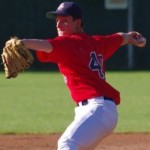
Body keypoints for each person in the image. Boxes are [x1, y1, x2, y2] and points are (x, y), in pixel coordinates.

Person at [21, 1, 146, 150]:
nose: (59, 25)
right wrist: (131, 37)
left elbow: (46, 45)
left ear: (77, 23)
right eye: (57, 21)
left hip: (97, 109)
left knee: (67, 144)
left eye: (64, 20)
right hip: (100, 111)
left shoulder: (69, 43)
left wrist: (22, 43)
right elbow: (119, 38)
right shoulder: (96, 42)